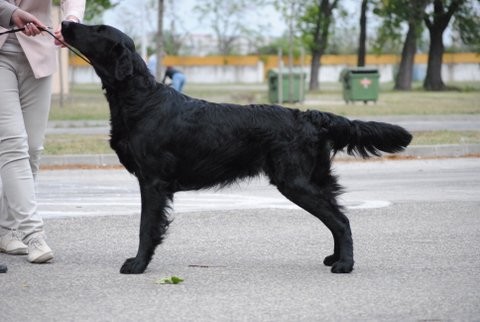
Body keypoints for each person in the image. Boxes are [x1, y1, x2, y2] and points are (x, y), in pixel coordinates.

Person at [0, 0, 85, 263]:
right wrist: (11, 13)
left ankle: (6, 229)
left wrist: (71, 20)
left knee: (33, 149)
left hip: (39, 52)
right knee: (13, 145)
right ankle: (33, 233)